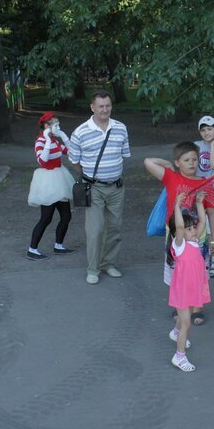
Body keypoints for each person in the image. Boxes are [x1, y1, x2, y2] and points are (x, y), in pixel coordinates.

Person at [144, 142, 214, 325]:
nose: (191, 163)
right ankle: (181, 305)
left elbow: (212, 213)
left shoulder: (204, 183)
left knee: (199, 271)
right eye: (186, 160)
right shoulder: (171, 177)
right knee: (177, 271)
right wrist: (168, 164)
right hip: (175, 237)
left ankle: (197, 307)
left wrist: (213, 241)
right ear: (178, 162)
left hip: (198, 236)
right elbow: (148, 162)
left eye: (194, 159)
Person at [68, 90, 131, 284]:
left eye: (108, 105)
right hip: (93, 188)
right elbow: (74, 162)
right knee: (95, 230)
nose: (105, 109)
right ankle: (93, 269)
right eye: (101, 106)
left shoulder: (121, 128)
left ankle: (108, 264)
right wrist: (91, 176)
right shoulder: (80, 132)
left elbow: (123, 155)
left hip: (116, 187)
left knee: (115, 228)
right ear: (92, 107)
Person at [168, 192, 211, 372]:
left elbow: (201, 222)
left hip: (194, 287)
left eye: (192, 228)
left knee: (188, 315)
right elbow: (178, 225)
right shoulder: (179, 245)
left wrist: (200, 203)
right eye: (189, 229)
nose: (193, 230)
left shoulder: (193, 242)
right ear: (177, 233)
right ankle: (179, 356)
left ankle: (176, 332)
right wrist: (176, 206)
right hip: (183, 290)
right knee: (187, 323)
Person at [27, 112, 77, 260]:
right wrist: (47, 138)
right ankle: (32, 249)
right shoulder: (41, 141)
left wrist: (64, 136)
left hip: (60, 179)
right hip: (47, 182)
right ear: (46, 126)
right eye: (55, 125)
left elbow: (71, 151)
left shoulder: (55, 141)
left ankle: (59, 245)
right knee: (46, 218)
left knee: (66, 216)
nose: (58, 127)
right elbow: (43, 160)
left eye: (58, 124)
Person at [195, 116, 214, 277]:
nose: (207, 133)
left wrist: (212, 147)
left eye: (210, 129)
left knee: (210, 224)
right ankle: (205, 257)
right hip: (199, 190)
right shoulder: (195, 146)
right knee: (200, 224)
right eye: (203, 130)